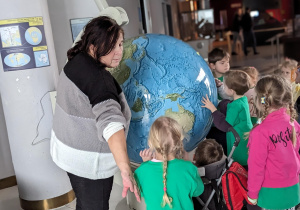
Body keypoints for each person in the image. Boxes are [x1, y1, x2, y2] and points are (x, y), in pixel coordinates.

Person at [50, 16, 140, 210]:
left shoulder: (75, 61)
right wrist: (125, 170)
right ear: (92, 46)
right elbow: (112, 124)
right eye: (111, 46)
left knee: (84, 203)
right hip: (90, 165)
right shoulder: (100, 81)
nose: (118, 53)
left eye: (120, 44)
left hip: (68, 152)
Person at [247, 75, 300, 209]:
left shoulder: (260, 132)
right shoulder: (293, 123)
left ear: (260, 101)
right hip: (293, 189)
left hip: (271, 193)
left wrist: (252, 194)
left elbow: (256, 167)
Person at [134, 116, 204, 210]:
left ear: (151, 143)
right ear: (179, 142)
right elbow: (198, 191)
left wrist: (145, 164)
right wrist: (188, 163)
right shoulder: (189, 168)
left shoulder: (141, 172)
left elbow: (140, 193)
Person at [201, 70, 253, 166]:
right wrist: (219, 100)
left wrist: (213, 109)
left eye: (224, 86)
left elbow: (224, 125)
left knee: (239, 166)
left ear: (231, 91)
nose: (223, 87)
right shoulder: (242, 99)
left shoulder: (235, 106)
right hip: (243, 140)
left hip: (239, 144)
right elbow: (228, 104)